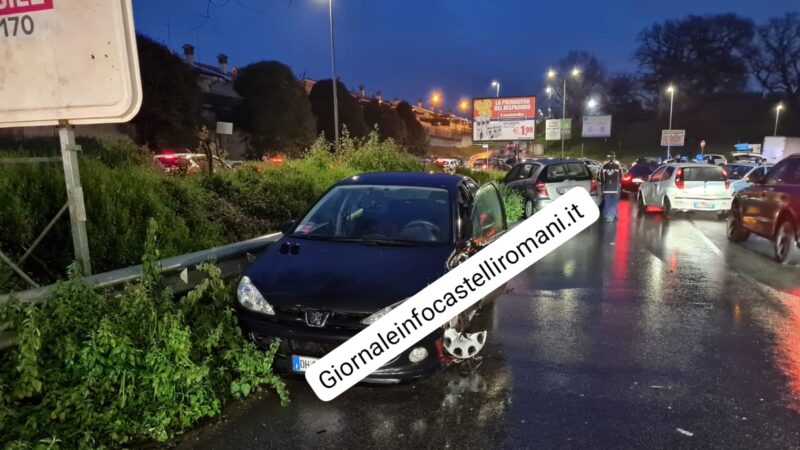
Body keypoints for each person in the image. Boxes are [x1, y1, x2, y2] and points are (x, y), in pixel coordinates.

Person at [599, 152, 622, 223]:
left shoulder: (604, 166)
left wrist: (604, 183)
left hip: (606, 187)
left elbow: (601, 177)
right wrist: (618, 183)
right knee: (614, 202)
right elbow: (621, 176)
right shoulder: (618, 166)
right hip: (615, 187)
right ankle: (611, 216)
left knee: (607, 202)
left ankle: (609, 215)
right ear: (614, 157)